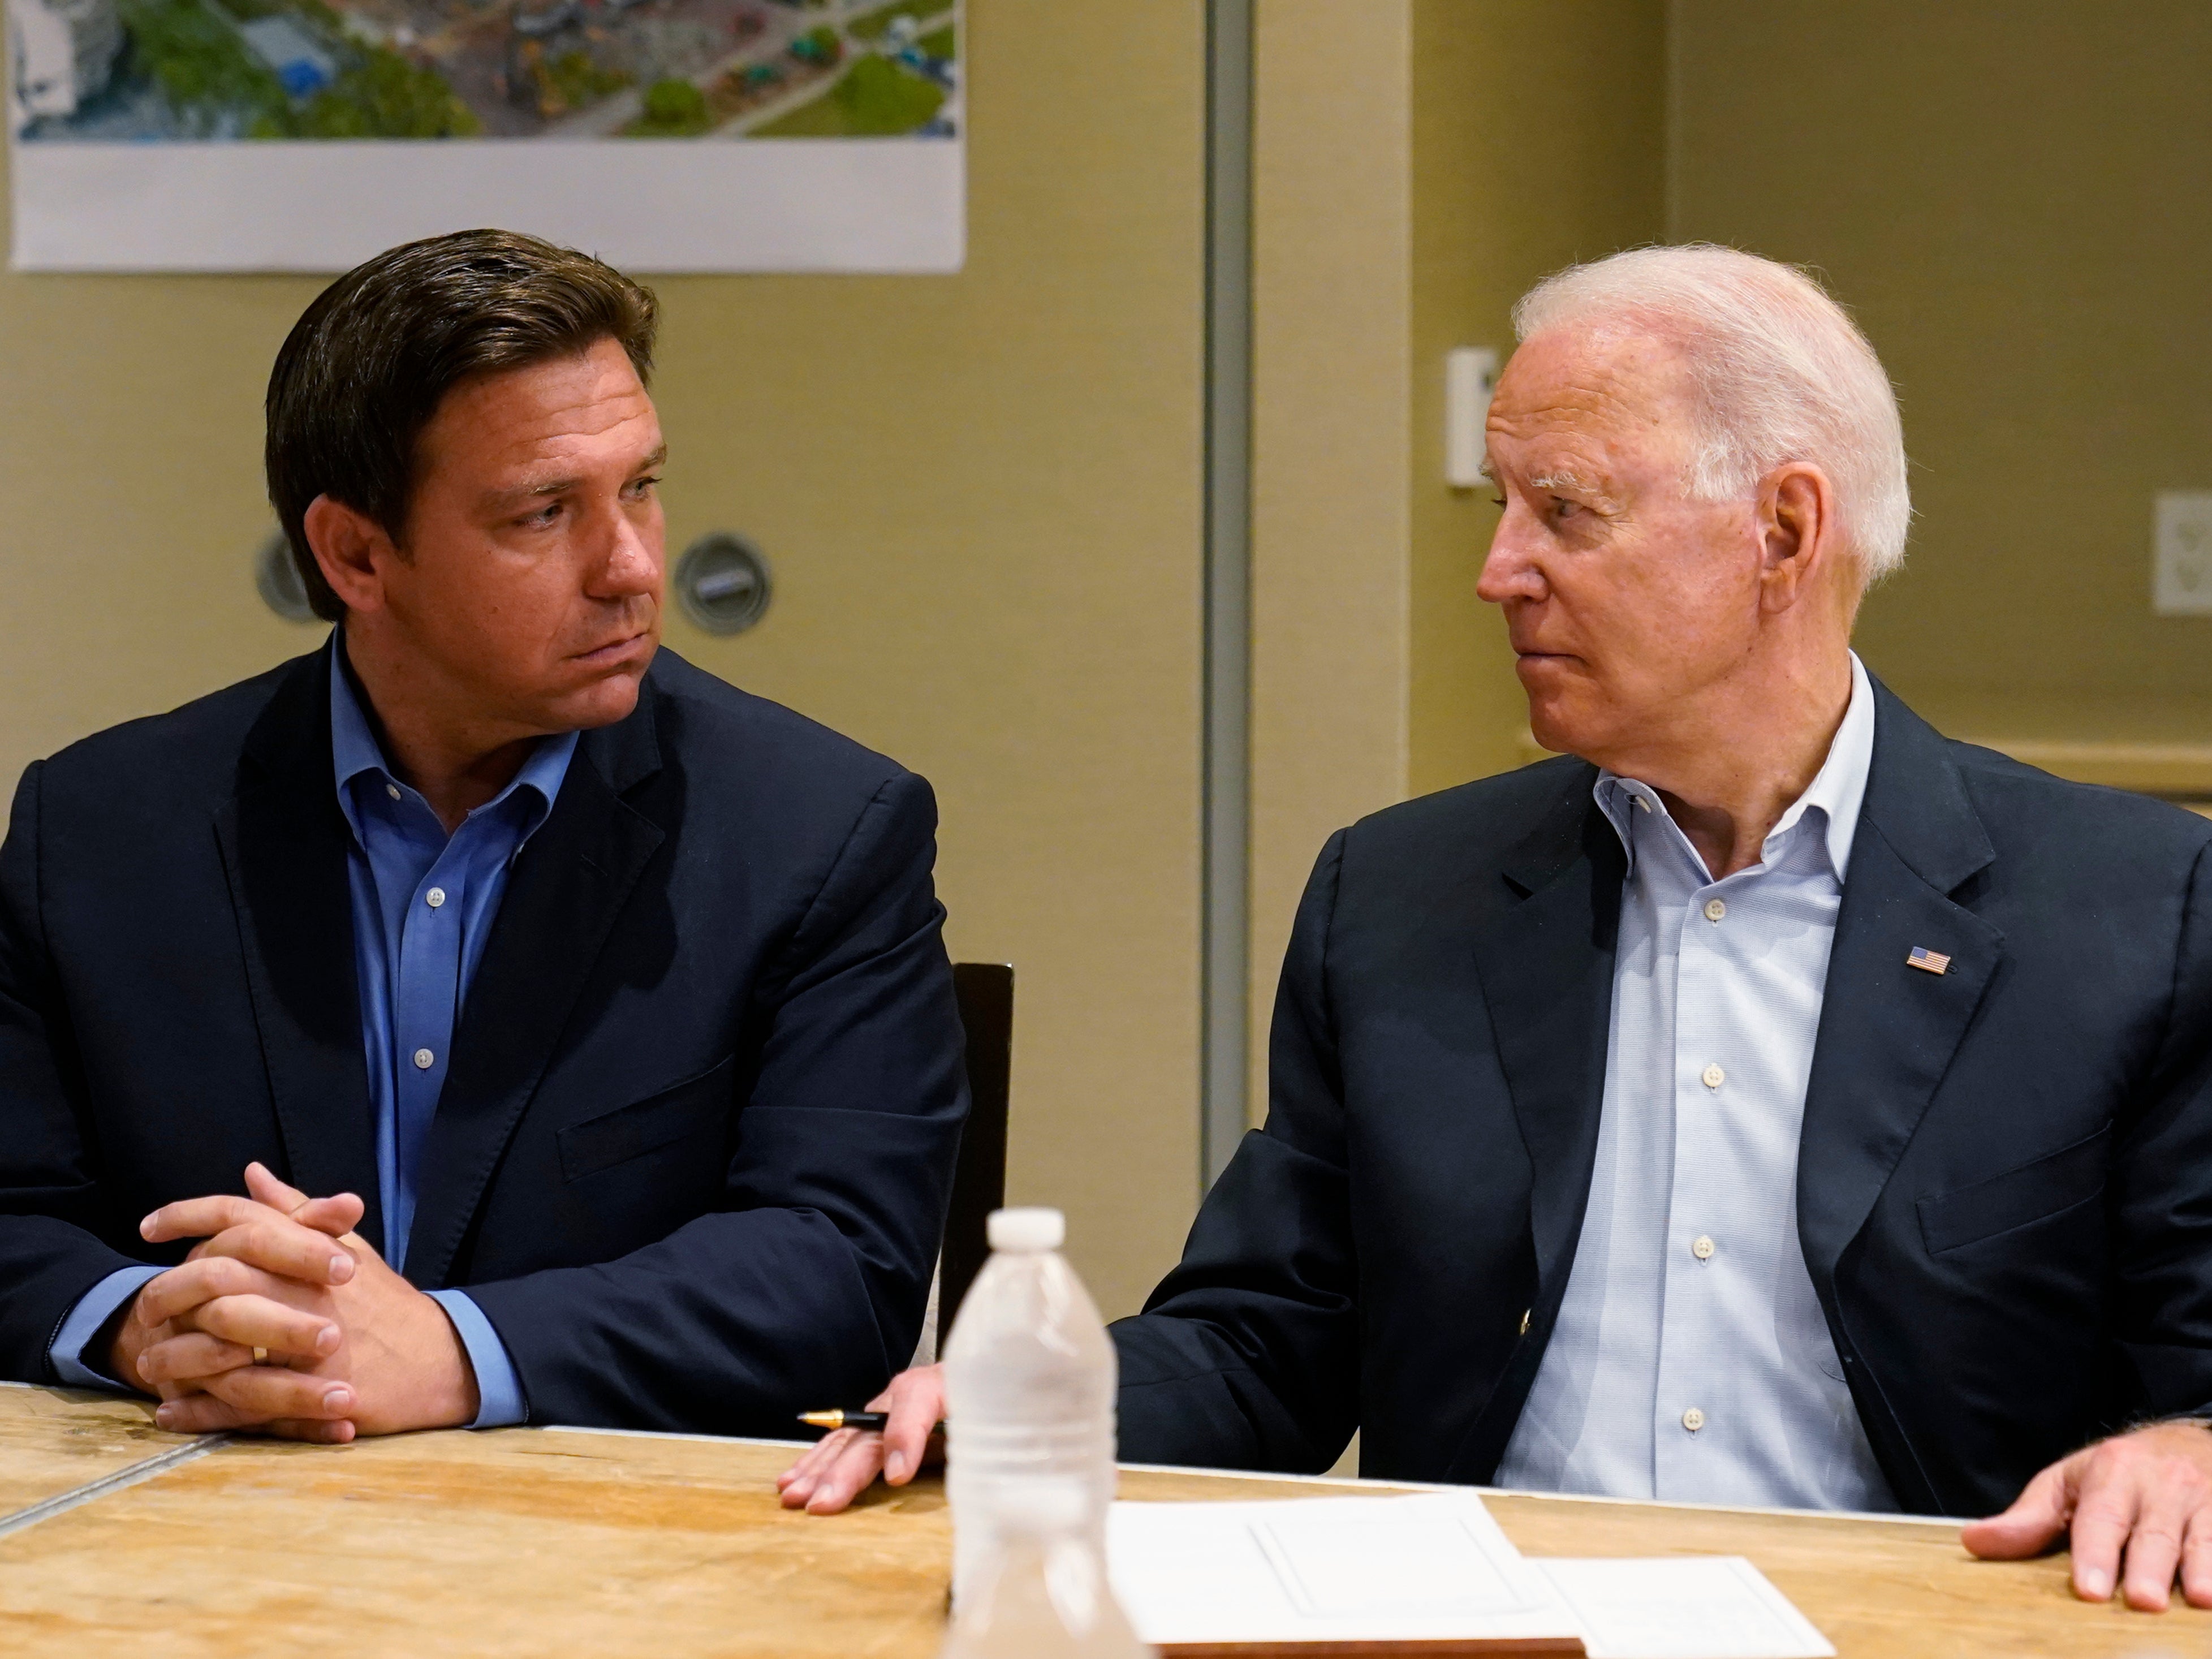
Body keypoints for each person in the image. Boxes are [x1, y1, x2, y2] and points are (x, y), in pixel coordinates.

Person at [780, 244, 2212, 1614]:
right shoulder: (1405, 895)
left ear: (1784, 531)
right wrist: (1057, 1404)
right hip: (1490, 1621)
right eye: (1501, 509)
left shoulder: (2130, 914)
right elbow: (1274, 1336)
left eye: (1568, 513)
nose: (1500, 571)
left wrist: (2195, 1445)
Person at [0, 229, 968, 1443]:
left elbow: (838, 1271)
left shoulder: (820, 831)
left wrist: (457, 1356)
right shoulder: (96, 828)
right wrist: (142, 1321)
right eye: (544, 512)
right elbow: (12, 1211)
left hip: (620, 1568)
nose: (628, 568)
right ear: (356, 552)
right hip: (185, 1544)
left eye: (643, 489)